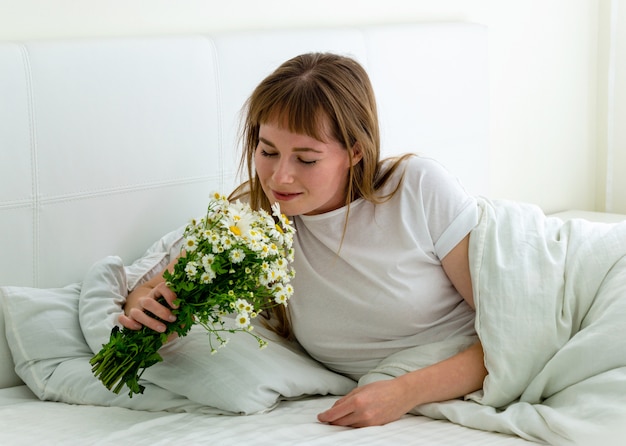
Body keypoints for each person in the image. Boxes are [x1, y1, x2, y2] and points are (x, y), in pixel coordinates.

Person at [120, 52, 487, 428]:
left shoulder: (415, 188)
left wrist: (405, 392)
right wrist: (150, 315)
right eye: (268, 152)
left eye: (306, 160)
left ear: (355, 151)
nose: (280, 178)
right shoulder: (252, 221)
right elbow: (150, 290)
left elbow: (512, 332)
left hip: (472, 359)